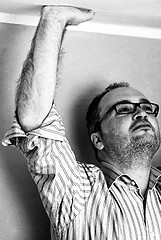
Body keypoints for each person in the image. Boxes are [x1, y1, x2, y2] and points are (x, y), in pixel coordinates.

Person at [2, 5, 161, 240]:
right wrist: (55, 20)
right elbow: (36, 120)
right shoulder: (77, 191)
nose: (142, 114)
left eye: (147, 107)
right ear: (97, 139)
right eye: (124, 109)